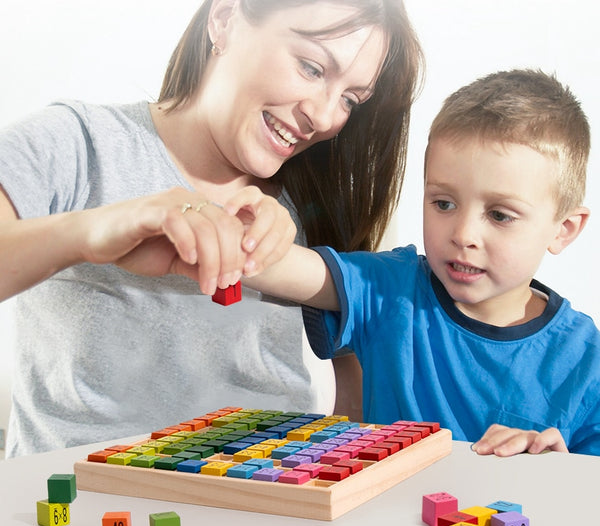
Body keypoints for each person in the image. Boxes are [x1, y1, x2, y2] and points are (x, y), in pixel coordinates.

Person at [0, 0, 424, 457]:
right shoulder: (79, 142)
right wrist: (90, 232)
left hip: (266, 504)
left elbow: (357, 374)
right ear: (223, 20)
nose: (323, 117)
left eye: (349, 100)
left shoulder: (316, 196)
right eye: (311, 67)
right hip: (85, 508)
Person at [233, 69, 600, 457]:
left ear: (564, 229)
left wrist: (562, 471)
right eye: (444, 204)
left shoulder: (586, 361)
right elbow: (278, 266)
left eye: (499, 215)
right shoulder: (390, 289)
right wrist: (231, 231)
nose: (463, 234)